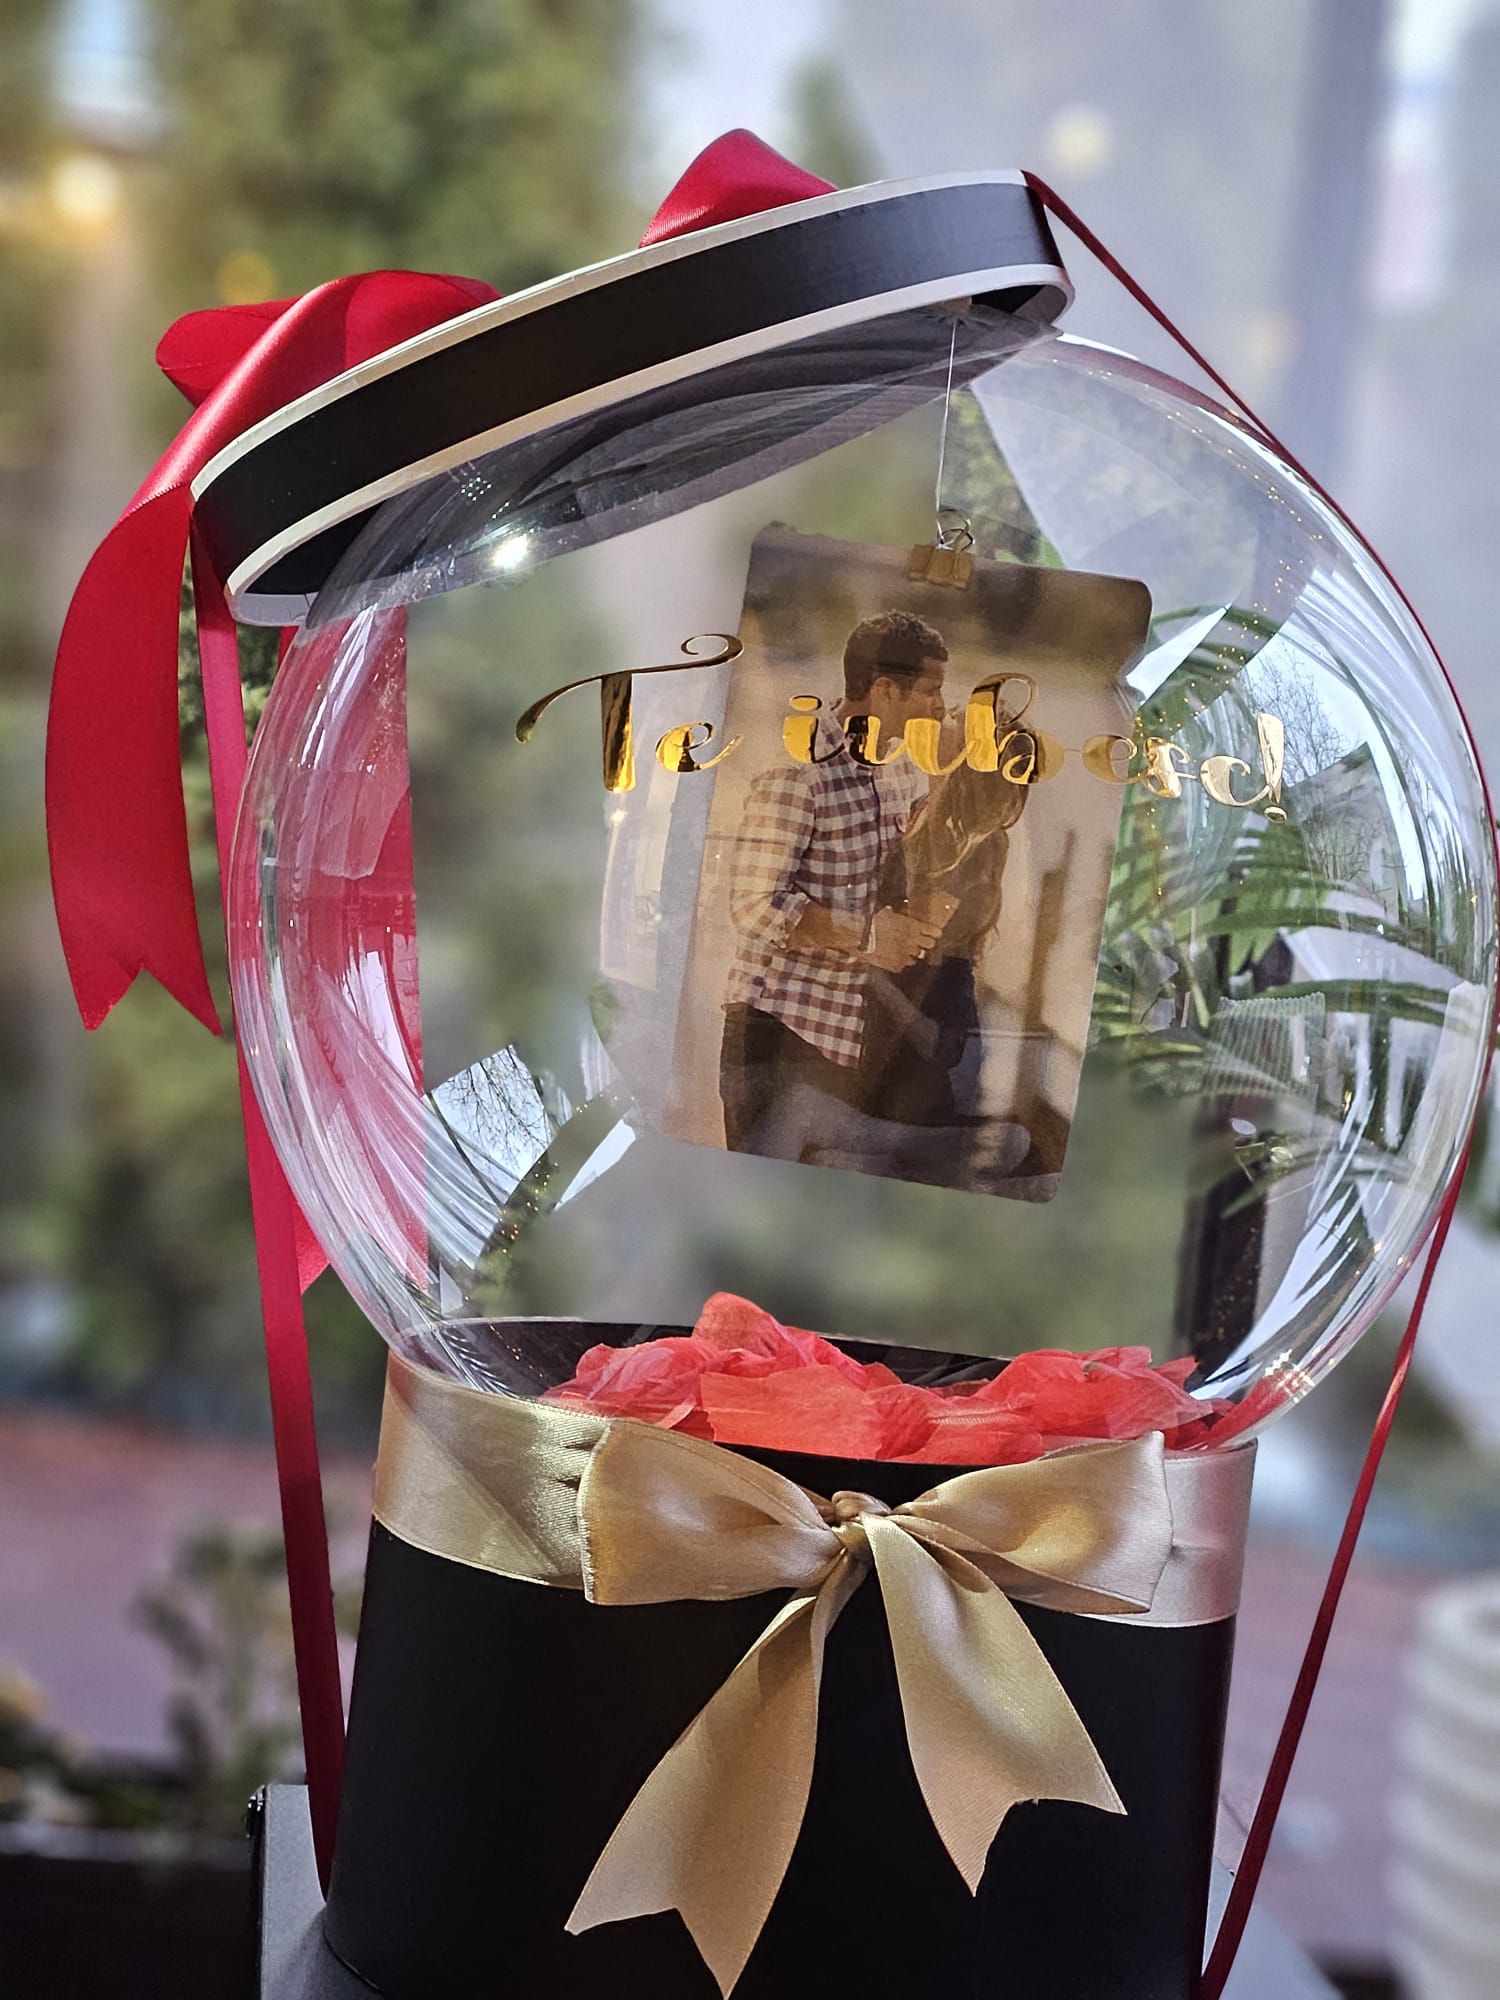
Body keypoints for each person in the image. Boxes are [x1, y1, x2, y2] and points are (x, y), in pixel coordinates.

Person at [719, 610, 948, 1154]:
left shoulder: (903, 771)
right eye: (930, 691)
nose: (940, 705)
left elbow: (900, 879)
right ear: (885, 690)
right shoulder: (797, 771)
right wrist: (868, 936)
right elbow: (753, 905)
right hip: (774, 1033)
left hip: (846, 1039)